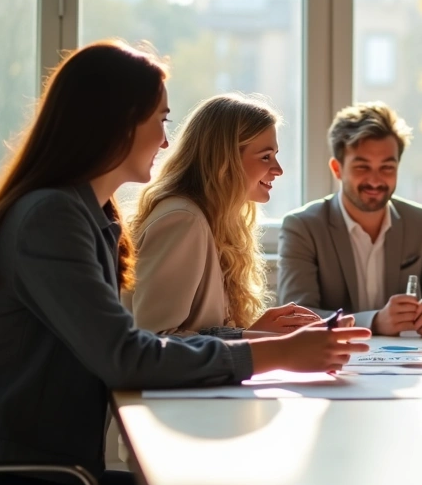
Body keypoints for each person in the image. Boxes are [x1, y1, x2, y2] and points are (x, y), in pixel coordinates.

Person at [0, 41, 370, 485]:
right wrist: (277, 353)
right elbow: (127, 355)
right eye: (161, 120)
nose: (166, 141)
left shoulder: (85, 214)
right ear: (119, 123)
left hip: (41, 473)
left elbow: (136, 344)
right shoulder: (50, 218)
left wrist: (259, 344)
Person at [125, 93, 342, 336]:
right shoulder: (183, 221)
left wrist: (260, 332)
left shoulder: (217, 220)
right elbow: (155, 340)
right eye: (265, 157)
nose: (278, 169)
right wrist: (253, 337)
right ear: (225, 160)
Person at [278, 102, 422, 336]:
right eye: (362, 167)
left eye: (387, 167)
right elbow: (295, 317)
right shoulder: (302, 227)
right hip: (332, 362)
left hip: (407, 365)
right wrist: (373, 322)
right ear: (337, 169)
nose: (375, 180)